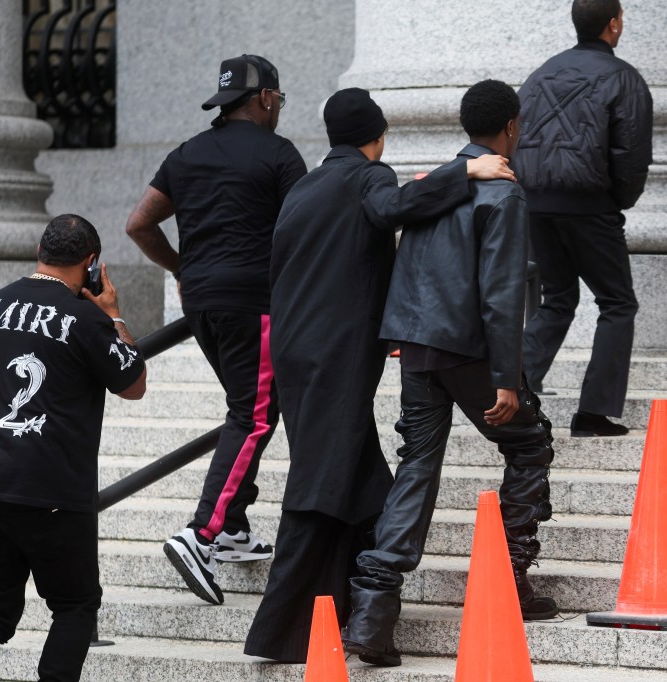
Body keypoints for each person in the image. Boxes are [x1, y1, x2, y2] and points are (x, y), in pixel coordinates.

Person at [243, 88, 516, 663]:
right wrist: (465, 171)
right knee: (321, 482)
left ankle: (360, 601)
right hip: (337, 355)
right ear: (378, 134)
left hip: (295, 351)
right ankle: (285, 630)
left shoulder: (306, 187)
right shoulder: (368, 178)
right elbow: (390, 209)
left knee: (361, 477)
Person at [341, 80, 557, 668]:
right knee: (530, 445)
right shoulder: (503, 191)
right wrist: (508, 378)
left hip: (415, 344)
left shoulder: (434, 184)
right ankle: (509, 581)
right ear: (512, 126)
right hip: (465, 348)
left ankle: (372, 614)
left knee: (417, 465)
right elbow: (502, 293)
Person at [125, 54, 307, 603]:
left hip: (201, 302)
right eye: (278, 99)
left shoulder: (187, 153)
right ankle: (201, 533)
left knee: (246, 407)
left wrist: (182, 267)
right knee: (254, 415)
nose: (278, 106)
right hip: (255, 302)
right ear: (267, 98)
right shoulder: (279, 154)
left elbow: (138, 223)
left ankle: (232, 528)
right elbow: (306, 226)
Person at [0, 214, 147, 682]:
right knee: (75, 606)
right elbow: (133, 383)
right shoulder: (84, 317)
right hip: (50, 489)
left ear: (41, 251)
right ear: (91, 263)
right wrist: (113, 313)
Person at [513, 0, 653, 436]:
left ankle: (514, 391)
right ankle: (593, 413)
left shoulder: (540, 75)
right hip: (589, 203)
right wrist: (617, 200)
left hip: (535, 201)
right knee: (617, 303)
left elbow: (514, 133)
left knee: (557, 299)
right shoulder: (622, 77)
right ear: (614, 25)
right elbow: (630, 152)